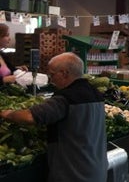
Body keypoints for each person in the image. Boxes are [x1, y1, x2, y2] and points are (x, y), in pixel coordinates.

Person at [0, 52, 107, 182]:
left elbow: (29, 117)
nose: (51, 79)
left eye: (52, 74)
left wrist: (5, 113)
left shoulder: (66, 98)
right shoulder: (95, 93)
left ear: (64, 73)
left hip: (73, 174)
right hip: (96, 169)